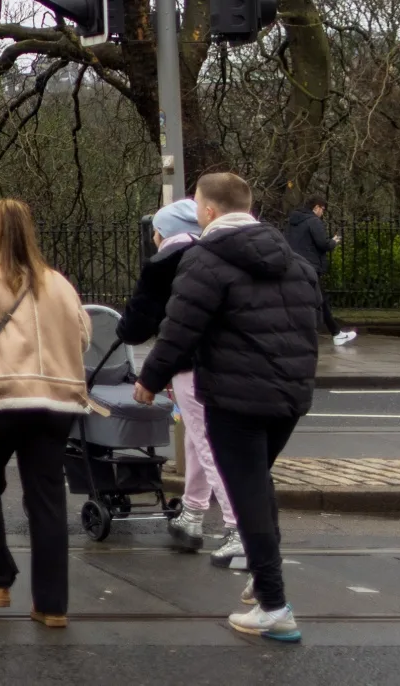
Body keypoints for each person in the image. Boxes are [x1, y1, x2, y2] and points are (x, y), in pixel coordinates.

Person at [138, 172, 321, 643]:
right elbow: (309, 326)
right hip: (288, 397)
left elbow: (180, 329)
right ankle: (264, 583)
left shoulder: (204, 261)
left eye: (198, 204)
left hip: (234, 398)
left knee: (249, 498)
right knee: (258, 486)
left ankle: (275, 605)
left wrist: (150, 380)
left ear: (210, 211)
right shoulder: (296, 262)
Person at [0, 198, 92, 629]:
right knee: (46, 499)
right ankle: (52, 605)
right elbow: (83, 337)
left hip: (0, 400)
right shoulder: (59, 283)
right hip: (55, 404)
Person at [117, 199, 238, 557]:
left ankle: (237, 527)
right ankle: (193, 510)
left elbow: (142, 326)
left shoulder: (163, 265)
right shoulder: (219, 254)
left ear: (162, 233)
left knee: (208, 443)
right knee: (198, 440)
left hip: (191, 363)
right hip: (231, 359)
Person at [286, 198, 356, 347]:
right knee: (320, 300)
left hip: (295, 265)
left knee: (301, 300)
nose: (323, 213)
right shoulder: (313, 221)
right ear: (316, 207)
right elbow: (322, 244)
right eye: (323, 209)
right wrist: (334, 241)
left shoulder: (293, 221)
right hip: (311, 266)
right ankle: (336, 333)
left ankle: (332, 332)